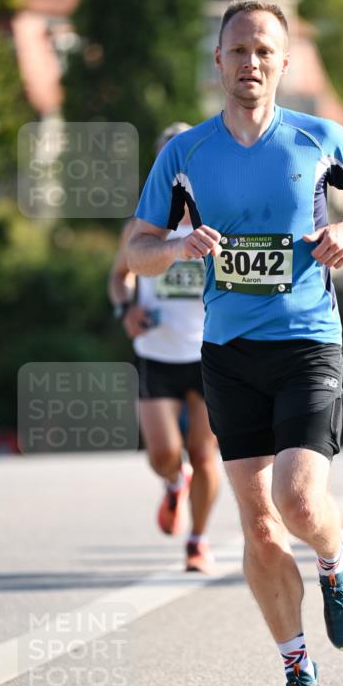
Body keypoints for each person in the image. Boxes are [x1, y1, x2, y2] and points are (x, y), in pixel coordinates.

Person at [126, 0, 343, 686]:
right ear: (217, 62)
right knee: (255, 526)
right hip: (226, 352)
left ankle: (336, 559)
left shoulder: (317, 137)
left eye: (263, 51)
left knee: (299, 500)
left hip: (308, 340)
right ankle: (298, 673)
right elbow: (135, 244)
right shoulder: (184, 153)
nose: (250, 62)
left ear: (282, 63)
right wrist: (173, 249)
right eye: (237, 50)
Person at [109, 123, 220, 574]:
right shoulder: (143, 225)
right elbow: (121, 277)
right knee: (161, 454)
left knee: (206, 452)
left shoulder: (219, 216)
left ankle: (197, 541)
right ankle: (174, 483)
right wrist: (125, 312)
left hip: (212, 352)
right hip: (158, 350)